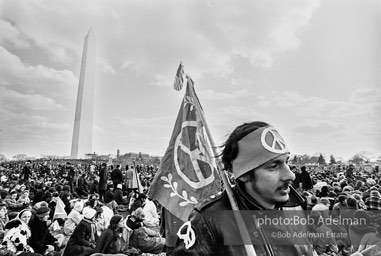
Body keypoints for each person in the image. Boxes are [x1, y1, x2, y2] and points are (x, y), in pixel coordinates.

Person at [174, 121, 313, 255]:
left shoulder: (294, 208)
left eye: (286, 162)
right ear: (244, 175)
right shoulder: (208, 220)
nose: (290, 175)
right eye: (273, 166)